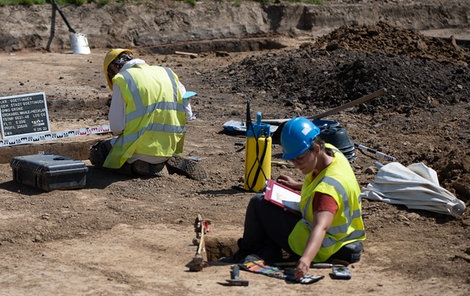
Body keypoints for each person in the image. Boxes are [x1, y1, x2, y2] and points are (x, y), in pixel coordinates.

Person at [233, 117, 366, 279]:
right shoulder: (333, 153)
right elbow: (320, 181)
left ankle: (249, 252)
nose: (296, 164)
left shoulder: (327, 191)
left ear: (316, 149)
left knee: (258, 203)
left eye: (299, 158)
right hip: (345, 239)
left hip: (326, 247)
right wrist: (297, 185)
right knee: (268, 202)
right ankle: (267, 250)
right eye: (292, 159)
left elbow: (320, 227)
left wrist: (305, 260)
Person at [89, 48, 207, 181]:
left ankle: (139, 167)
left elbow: (117, 128)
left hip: (139, 149)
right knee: (155, 152)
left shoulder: (122, 79)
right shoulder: (168, 73)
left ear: (113, 68)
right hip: (169, 146)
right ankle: (165, 161)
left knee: (98, 153)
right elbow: (188, 113)